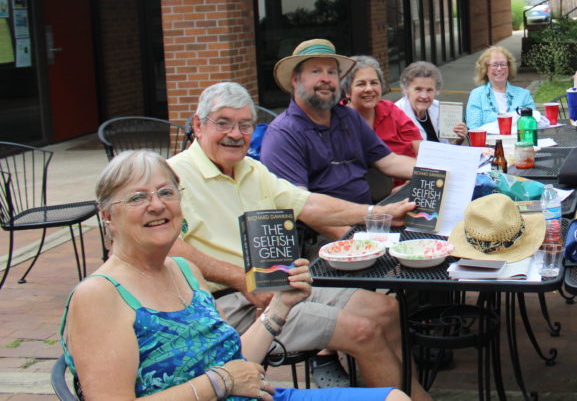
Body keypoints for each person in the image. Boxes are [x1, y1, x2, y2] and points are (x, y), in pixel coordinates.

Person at [62, 150, 407, 401]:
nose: (157, 205)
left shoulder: (184, 270)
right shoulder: (100, 295)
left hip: (252, 395)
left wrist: (280, 307)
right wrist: (219, 383)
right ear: (107, 216)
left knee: (394, 399)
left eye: (166, 192)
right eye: (138, 198)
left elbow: (231, 360)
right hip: (229, 394)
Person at [168, 82, 431, 399]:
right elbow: (170, 248)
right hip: (226, 303)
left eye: (245, 124)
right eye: (223, 123)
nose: (235, 134)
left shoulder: (251, 168)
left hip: (278, 282)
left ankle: (411, 396)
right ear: (198, 125)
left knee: (387, 308)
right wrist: (241, 280)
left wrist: (378, 212)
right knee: (364, 331)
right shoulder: (174, 176)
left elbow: (309, 204)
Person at [261, 40, 416, 205]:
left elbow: (390, 161)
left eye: (332, 72)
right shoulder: (283, 134)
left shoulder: (349, 118)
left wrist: (440, 172)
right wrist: (374, 217)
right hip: (325, 228)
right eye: (316, 71)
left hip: (369, 218)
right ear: (295, 80)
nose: (326, 79)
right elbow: (305, 207)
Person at [342, 55, 423, 158]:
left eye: (374, 83)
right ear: (347, 91)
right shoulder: (339, 118)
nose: (369, 89)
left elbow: (419, 147)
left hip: (407, 170)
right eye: (361, 84)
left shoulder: (390, 109)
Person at [395, 60, 466, 144]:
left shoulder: (438, 108)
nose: (424, 96)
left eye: (429, 90)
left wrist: (458, 139)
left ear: (436, 91)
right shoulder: (396, 114)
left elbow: (444, 149)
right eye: (418, 89)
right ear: (406, 90)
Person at [465, 45, 537, 128]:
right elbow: (474, 129)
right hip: (488, 140)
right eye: (494, 65)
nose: (499, 69)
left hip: (518, 140)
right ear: (485, 69)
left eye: (503, 64)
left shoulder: (523, 95)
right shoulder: (477, 95)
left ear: (509, 68)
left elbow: (532, 124)